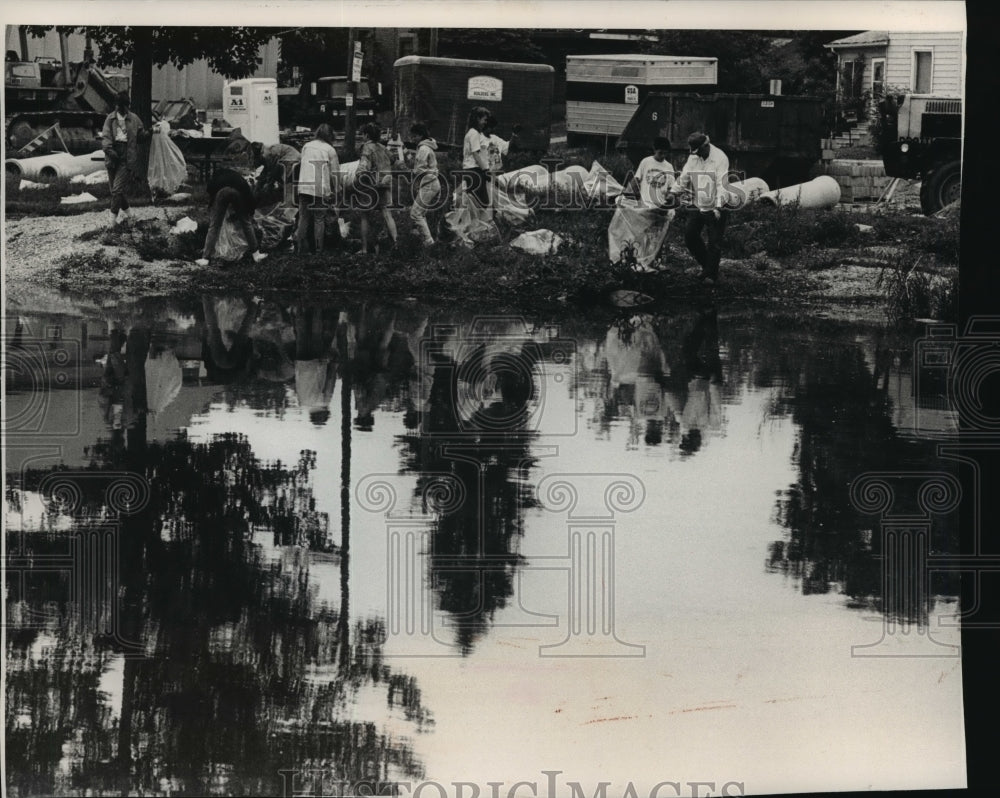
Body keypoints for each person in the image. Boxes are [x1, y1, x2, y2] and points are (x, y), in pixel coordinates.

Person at [668, 131, 731, 284]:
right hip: (698, 203)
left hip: (717, 204)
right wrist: (673, 192)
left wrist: (717, 207)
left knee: (714, 242)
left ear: (706, 145)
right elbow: (684, 177)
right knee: (690, 237)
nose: (697, 154)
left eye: (699, 151)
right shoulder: (693, 157)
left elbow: (721, 185)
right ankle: (707, 267)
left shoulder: (720, 158)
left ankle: (711, 275)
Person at [195, 167, 267, 267]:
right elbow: (250, 202)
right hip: (238, 192)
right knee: (246, 224)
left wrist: (212, 208)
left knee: (214, 226)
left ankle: (205, 258)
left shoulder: (216, 178)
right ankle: (256, 254)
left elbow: (210, 191)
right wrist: (245, 214)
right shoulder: (240, 180)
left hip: (222, 192)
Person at [100, 92, 146, 227]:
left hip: (127, 155)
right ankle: (131, 216)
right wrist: (110, 151)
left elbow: (140, 136)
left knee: (117, 190)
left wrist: (149, 133)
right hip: (112, 154)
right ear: (117, 106)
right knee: (115, 191)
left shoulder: (134, 119)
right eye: (121, 107)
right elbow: (106, 137)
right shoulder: (110, 119)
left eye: (126, 106)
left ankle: (111, 224)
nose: (124, 109)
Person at [296, 123, 341, 254]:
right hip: (319, 189)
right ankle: (318, 250)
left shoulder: (306, 146)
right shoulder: (329, 150)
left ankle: (300, 249)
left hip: (304, 186)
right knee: (319, 219)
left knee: (303, 218)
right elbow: (335, 173)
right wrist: (337, 189)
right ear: (330, 135)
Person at [356, 122, 398, 255]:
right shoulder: (383, 147)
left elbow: (364, 168)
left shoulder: (366, 147)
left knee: (364, 216)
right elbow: (393, 159)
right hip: (385, 182)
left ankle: (364, 249)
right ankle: (397, 244)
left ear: (366, 135)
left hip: (371, 185)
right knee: (387, 214)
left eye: (363, 134)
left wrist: (358, 176)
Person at [408, 123, 441, 246]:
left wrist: (410, 172)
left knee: (415, 213)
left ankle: (429, 242)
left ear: (421, 135)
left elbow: (420, 170)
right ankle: (425, 240)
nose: (412, 139)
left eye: (414, 136)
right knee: (420, 213)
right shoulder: (427, 147)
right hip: (431, 183)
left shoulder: (423, 149)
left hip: (429, 184)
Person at [461, 106, 493, 216]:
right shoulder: (474, 133)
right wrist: (485, 170)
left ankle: (473, 224)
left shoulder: (474, 133)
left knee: (476, 201)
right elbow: (476, 153)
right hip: (474, 171)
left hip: (472, 170)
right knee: (482, 202)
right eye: (484, 119)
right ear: (477, 119)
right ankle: (474, 224)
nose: (485, 122)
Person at [628, 136, 675, 208]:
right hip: (645, 204)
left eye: (665, 153)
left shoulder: (669, 167)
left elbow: (670, 188)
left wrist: (669, 198)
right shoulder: (646, 162)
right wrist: (628, 192)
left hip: (660, 206)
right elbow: (636, 180)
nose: (663, 156)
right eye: (660, 153)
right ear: (655, 150)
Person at [252, 140, 301, 205]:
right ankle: (292, 199)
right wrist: (260, 182)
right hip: (295, 159)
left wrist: (268, 185)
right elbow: (266, 170)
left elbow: (272, 171)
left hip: (291, 160)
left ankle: (289, 205)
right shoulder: (267, 149)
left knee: (288, 182)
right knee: (287, 181)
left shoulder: (266, 154)